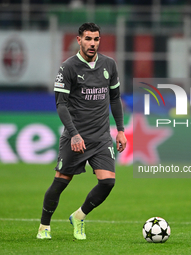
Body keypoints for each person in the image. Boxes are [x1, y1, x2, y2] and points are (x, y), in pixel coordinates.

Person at [36, 22, 127, 240]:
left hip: (101, 137)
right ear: (79, 40)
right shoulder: (68, 67)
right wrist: (74, 134)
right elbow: (61, 104)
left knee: (108, 182)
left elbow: (114, 99)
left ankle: (79, 216)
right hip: (75, 137)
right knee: (60, 183)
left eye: (96, 39)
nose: (92, 43)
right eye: (88, 39)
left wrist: (121, 130)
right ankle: (44, 226)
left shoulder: (109, 65)